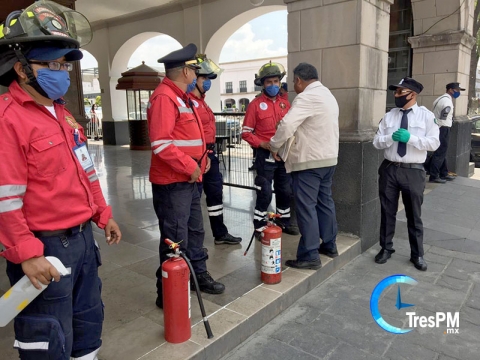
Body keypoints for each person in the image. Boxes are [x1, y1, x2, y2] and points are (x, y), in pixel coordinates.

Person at [0, 2, 122, 359]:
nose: (62, 72)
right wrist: (25, 253)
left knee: (87, 324)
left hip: (83, 241)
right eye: (51, 64)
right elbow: (5, 197)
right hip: (45, 249)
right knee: (47, 336)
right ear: (22, 69)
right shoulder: (9, 119)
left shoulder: (63, 115)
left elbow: (86, 170)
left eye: (65, 65)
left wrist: (103, 213)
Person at [147, 43, 225, 309]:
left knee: (194, 230)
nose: (197, 74)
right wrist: (189, 166)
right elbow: (161, 143)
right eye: (194, 69)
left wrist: (200, 163)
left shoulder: (184, 97)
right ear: (184, 72)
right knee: (175, 237)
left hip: (190, 179)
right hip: (174, 182)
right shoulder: (164, 97)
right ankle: (168, 290)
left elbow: (193, 138)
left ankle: (197, 275)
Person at [270, 63, 339, 270]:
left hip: (309, 162)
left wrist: (274, 145)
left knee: (306, 207)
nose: (293, 86)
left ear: (299, 80)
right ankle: (329, 244)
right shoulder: (328, 95)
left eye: (293, 81)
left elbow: (287, 124)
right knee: (324, 202)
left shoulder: (306, 97)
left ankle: (309, 254)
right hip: (328, 160)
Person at [373, 77, 440, 271]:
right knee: (387, 212)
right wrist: (389, 138)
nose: (396, 95)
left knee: (414, 215)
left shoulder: (426, 117)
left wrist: (410, 138)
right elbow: (376, 142)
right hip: (390, 168)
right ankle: (386, 248)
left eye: (401, 92)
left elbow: (434, 143)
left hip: (413, 171)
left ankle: (417, 254)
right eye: (395, 92)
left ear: (413, 94)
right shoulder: (389, 116)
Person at [189, 54, 242, 245]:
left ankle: (220, 233)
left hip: (210, 154)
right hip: (197, 157)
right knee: (193, 200)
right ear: (194, 78)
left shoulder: (202, 102)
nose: (207, 82)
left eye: (209, 79)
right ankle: (194, 243)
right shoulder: (188, 102)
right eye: (204, 78)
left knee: (215, 194)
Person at [242, 61, 299, 235]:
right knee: (264, 192)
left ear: (280, 82)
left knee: (285, 190)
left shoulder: (286, 104)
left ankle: (284, 221)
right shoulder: (255, 105)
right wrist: (263, 144)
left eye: (276, 82)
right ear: (263, 84)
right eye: (269, 82)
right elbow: (246, 133)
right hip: (265, 156)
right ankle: (259, 225)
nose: (273, 85)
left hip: (283, 156)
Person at [428, 82, 464, 183]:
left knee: (441, 152)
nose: (458, 93)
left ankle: (443, 173)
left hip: (438, 127)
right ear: (450, 90)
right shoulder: (447, 102)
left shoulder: (440, 99)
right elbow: (443, 117)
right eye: (457, 90)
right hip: (443, 128)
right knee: (440, 153)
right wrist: (440, 128)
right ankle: (434, 176)